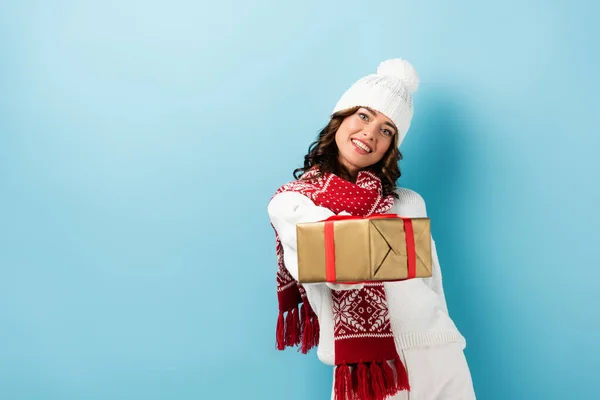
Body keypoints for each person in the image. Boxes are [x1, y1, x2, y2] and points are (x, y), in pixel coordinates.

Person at [267, 59, 476, 400]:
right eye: (364, 116)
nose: (370, 133)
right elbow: (336, 270)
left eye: (386, 129)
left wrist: (350, 243)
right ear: (341, 118)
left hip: (439, 353)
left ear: (391, 146)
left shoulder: (408, 202)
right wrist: (385, 248)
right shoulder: (291, 203)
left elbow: (430, 284)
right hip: (366, 370)